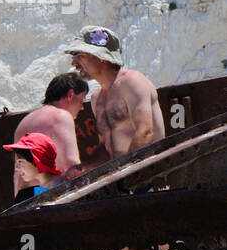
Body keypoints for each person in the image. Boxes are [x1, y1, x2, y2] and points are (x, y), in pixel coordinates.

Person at [64, 25, 165, 159]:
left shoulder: (131, 82)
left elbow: (145, 133)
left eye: (79, 56)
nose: (74, 63)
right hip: (122, 174)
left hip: (150, 171)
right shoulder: (97, 98)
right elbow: (105, 148)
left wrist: (127, 172)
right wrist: (84, 168)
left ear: (99, 56)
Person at [12, 72, 88, 195]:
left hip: (27, 199)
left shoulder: (24, 122)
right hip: (53, 197)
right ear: (71, 94)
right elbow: (71, 164)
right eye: (81, 100)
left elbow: (19, 174)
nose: (82, 107)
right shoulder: (61, 116)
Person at [5, 133, 62, 203]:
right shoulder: (43, 189)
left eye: (20, 161)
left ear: (36, 159)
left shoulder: (60, 186)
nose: (17, 168)